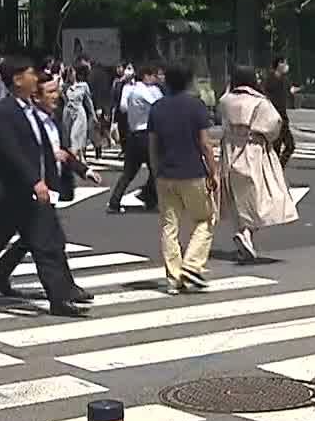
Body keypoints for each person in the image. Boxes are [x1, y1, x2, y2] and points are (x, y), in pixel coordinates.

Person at [0, 58, 86, 317]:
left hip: (34, 194)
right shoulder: (2, 111)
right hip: (9, 194)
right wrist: (34, 181)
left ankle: (59, 299)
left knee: (46, 243)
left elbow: (42, 149)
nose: (35, 78)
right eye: (30, 73)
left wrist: (50, 180)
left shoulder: (29, 109)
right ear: (17, 79)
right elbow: (10, 152)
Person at [0, 75, 104, 298]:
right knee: (51, 240)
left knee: (32, 239)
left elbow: (64, 151)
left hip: (48, 187)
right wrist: (47, 158)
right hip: (30, 189)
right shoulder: (29, 122)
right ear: (36, 97)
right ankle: (64, 291)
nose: (56, 96)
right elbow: (19, 153)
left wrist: (85, 170)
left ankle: (0, 276)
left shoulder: (54, 119)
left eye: (56, 91)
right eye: (50, 92)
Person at [147, 62, 219, 294]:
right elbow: (205, 144)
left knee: (169, 226)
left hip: (166, 173)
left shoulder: (157, 108)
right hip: (192, 172)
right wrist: (213, 170)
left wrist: (156, 170)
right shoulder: (196, 106)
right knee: (205, 219)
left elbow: (152, 145)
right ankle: (191, 265)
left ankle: (173, 276)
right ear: (189, 81)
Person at [217, 65, 298, 263]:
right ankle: (246, 234)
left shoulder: (226, 100)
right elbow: (273, 125)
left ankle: (244, 234)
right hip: (253, 150)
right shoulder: (260, 102)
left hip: (230, 149)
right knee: (259, 197)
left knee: (237, 198)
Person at [107, 65, 163, 214]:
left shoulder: (131, 90)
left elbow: (123, 108)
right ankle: (149, 197)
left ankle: (115, 201)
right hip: (146, 135)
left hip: (133, 134)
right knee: (156, 168)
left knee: (129, 172)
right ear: (145, 76)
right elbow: (158, 105)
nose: (155, 79)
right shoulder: (144, 91)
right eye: (153, 76)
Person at [264, 56, 297, 166]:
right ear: (279, 64)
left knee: (290, 146)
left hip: (283, 118)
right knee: (276, 147)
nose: (286, 66)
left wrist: (292, 90)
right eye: (284, 63)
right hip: (274, 117)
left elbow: (288, 90)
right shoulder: (269, 79)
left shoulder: (284, 79)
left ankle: (278, 167)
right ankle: (275, 170)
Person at [62, 63, 95, 170]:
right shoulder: (64, 87)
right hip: (67, 113)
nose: (71, 75)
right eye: (69, 74)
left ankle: (74, 160)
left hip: (79, 113)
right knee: (70, 138)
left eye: (72, 73)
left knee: (75, 136)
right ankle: (81, 157)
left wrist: (93, 114)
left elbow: (89, 101)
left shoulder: (83, 86)